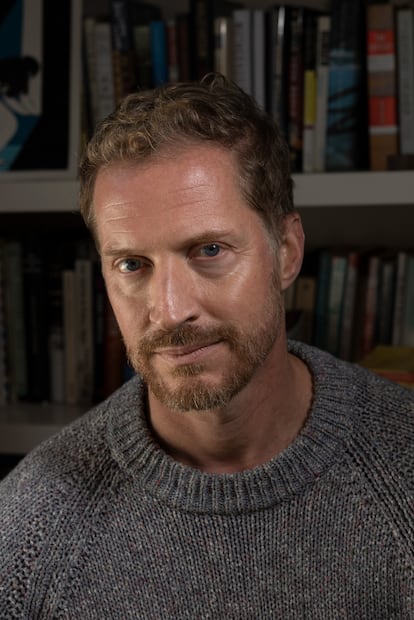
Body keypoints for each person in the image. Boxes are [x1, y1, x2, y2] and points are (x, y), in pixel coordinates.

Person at [1, 74, 414, 618]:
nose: (171, 310)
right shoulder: (29, 528)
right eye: (132, 264)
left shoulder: (402, 474)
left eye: (209, 250)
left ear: (287, 252)